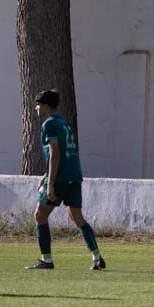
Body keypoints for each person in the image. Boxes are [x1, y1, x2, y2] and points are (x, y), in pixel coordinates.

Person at [26, 89, 105, 271]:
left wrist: (50, 184)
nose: (36, 108)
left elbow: (55, 153)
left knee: (40, 215)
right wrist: (46, 175)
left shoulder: (49, 124)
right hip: (74, 175)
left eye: (38, 104)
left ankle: (46, 260)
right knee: (77, 217)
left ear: (46, 106)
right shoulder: (63, 123)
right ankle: (97, 257)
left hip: (61, 177)